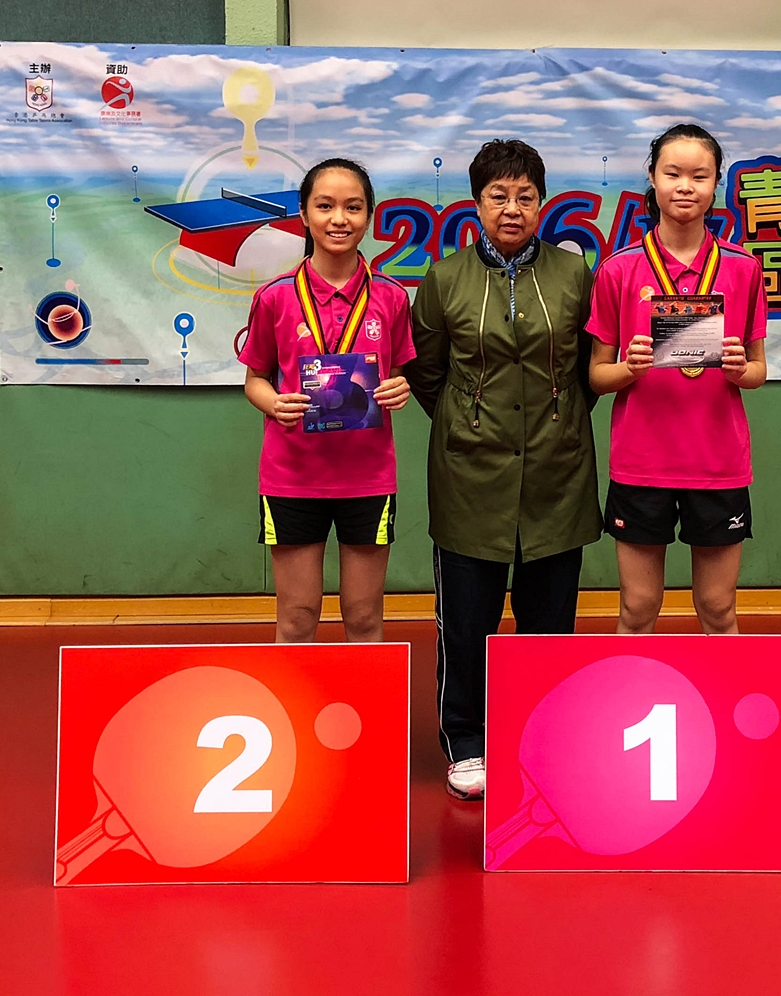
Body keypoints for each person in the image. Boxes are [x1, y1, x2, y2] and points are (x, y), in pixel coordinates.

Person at [406, 139, 601, 801]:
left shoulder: (575, 275)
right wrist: (471, 423)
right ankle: (466, 741)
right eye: (498, 196)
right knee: (467, 622)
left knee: (549, 625)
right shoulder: (444, 279)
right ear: (476, 203)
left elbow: (590, 371)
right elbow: (426, 372)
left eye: (525, 196)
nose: (512, 208)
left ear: (542, 203)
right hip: (469, 475)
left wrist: (551, 421)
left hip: (557, 472)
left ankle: (543, 736)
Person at [588, 123, 768, 635]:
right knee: (638, 607)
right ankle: (631, 690)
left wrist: (741, 369)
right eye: (673, 174)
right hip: (641, 464)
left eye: (699, 176)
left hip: (718, 463)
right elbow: (597, 375)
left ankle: (723, 692)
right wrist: (628, 368)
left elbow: (759, 371)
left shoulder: (743, 268)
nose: (685, 186)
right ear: (653, 178)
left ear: (716, 184)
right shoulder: (618, 270)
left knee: (718, 608)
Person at [237, 158, 414, 643]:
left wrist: (400, 387)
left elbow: (399, 372)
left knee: (364, 617)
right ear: (304, 214)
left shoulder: (392, 297)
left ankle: (368, 699)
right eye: (325, 206)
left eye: (353, 207)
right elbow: (255, 380)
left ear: (369, 216)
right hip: (292, 478)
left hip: (368, 477)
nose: (339, 219)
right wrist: (273, 403)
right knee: (297, 617)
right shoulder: (275, 297)